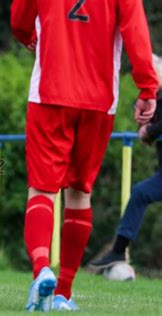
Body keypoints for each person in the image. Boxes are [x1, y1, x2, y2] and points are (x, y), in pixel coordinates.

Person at [11, 0, 158, 311]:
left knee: (42, 189)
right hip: (99, 100)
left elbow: (20, 19)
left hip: (50, 93)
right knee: (79, 194)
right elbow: (136, 33)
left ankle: (41, 271)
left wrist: (28, 37)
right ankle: (63, 293)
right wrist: (147, 88)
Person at [90, 54, 162, 270]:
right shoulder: (154, 100)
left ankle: (118, 252)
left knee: (140, 193)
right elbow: (146, 122)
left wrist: (149, 130)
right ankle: (118, 252)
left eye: (151, 71)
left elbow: (151, 127)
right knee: (140, 194)